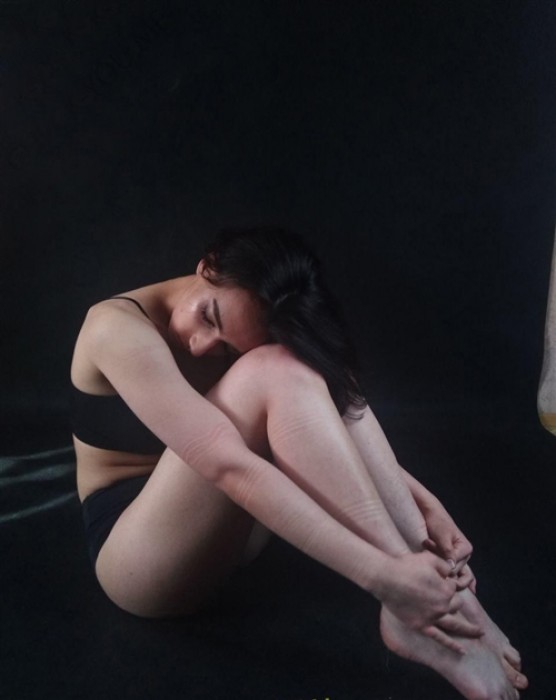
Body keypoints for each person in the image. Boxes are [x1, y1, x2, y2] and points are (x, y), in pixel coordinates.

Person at [71, 227, 527, 699]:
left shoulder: (244, 332)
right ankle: (408, 598)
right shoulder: (114, 328)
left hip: (233, 525)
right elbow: (226, 466)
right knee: (270, 370)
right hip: (139, 556)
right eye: (208, 316)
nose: (203, 346)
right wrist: (379, 576)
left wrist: (425, 504)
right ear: (208, 264)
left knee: (303, 363)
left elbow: (326, 423)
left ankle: (448, 599)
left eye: (228, 348)